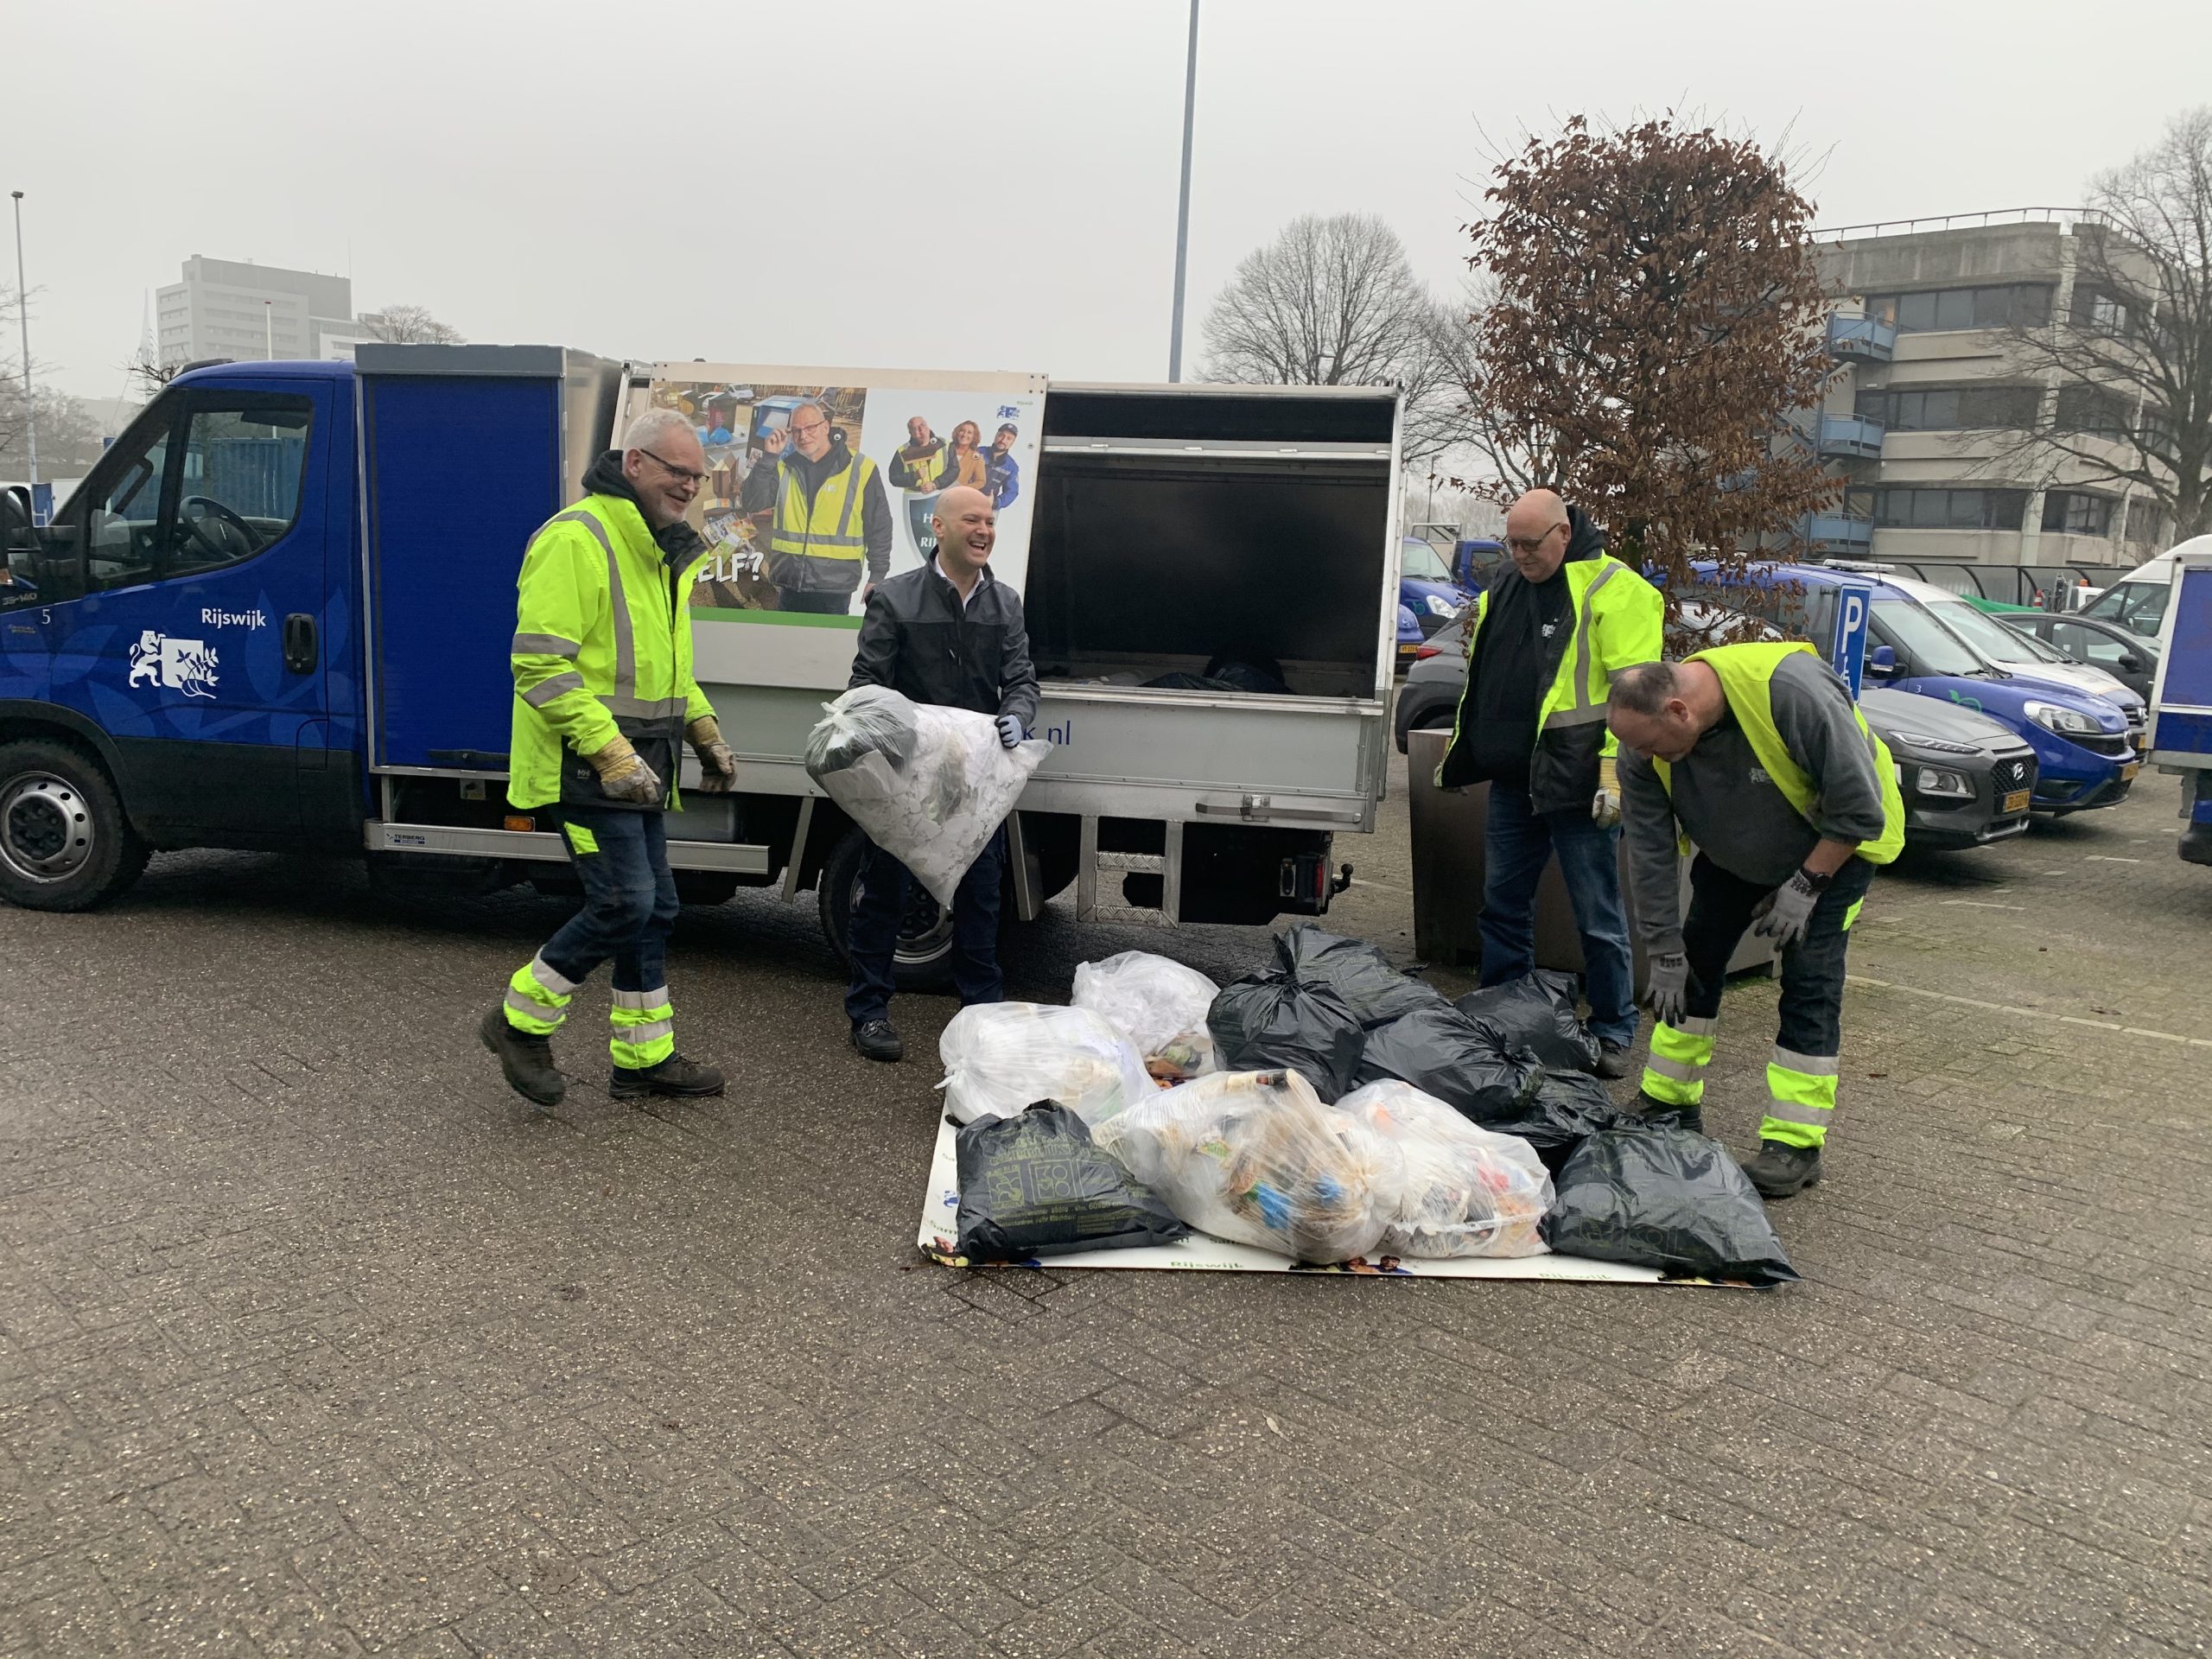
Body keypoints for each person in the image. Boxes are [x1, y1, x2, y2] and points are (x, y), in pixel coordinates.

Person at [480, 408, 740, 1109]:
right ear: (634, 463)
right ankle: (516, 1024)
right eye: (676, 471)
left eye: (697, 476)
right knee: (626, 902)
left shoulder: (659, 549)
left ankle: (642, 1060)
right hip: (587, 764)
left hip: (641, 765)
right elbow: (539, 666)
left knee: (656, 910)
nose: (689, 486)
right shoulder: (578, 538)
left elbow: (668, 670)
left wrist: (704, 730)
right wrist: (609, 752)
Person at [1606, 646, 1904, 1198]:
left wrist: (1805, 885)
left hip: (1833, 850)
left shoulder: (1790, 693)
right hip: (1735, 851)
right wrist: (1664, 949)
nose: (1640, 756)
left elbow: (1861, 809)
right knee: (1693, 962)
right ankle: (1669, 1104)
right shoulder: (1643, 747)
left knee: (1809, 983)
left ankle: (1795, 1144)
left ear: (1679, 711)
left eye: (1648, 744)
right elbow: (1649, 853)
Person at [1433, 488, 1662, 1078]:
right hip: (1517, 779)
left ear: (1564, 532)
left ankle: (1613, 1029)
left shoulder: (1617, 591)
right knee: (1503, 904)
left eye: (1530, 544)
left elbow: (1635, 698)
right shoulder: (1509, 585)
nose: (1519, 554)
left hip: (1581, 782)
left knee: (1597, 914)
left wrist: (1615, 776)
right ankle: (1505, 1011)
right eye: (1512, 543)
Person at [842, 483, 1038, 1063]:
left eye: (991, 522)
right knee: (887, 893)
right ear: (940, 528)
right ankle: (869, 1012)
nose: (984, 531)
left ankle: (981, 1015)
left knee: (981, 896)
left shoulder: (1004, 605)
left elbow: (1022, 681)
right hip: (910, 777)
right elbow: (865, 687)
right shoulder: (896, 599)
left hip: (977, 781)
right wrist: (901, 734)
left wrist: (1017, 717)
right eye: (972, 520)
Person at [738, 399, 893, 613]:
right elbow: (752, 502)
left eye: (810, 428)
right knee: (786, 644)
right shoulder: (784, 467)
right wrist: (769, 458)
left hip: (835, 588)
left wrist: (877, 575)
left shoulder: (860, 469)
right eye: (796, 431)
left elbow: (880, 525)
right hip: (790, 583)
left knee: (825, 647)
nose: (803, 436)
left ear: (826, 427)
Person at [887, 416, 949, 561]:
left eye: (922, 425)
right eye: (915, 429)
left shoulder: (944, 445)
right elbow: (894, 478)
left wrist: (936, 484)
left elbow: (953, 471)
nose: (920, 430)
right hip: (916, 504)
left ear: (928, 426)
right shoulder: (902, 451)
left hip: (942, 501)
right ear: (910, 433)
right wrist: (914, 476)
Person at [939, 420, 988, 492]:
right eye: (962, 431)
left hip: (954, 496)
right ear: (957, 432)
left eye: (969, 432)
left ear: (974, 437)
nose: (964, 435)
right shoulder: (944, 448)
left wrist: (963, 488)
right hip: (934, 491)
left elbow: (981, 482)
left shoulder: (976, 458)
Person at [985, 423, 1020, 511]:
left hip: (988, 508)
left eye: (1009, 438)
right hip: (965, 501)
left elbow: (1011, 492)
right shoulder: (977, 452)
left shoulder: (1011, 466)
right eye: (1001, 435)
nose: (1003, 440)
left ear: (1013, 442)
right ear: (996, 435)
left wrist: (995, 503)